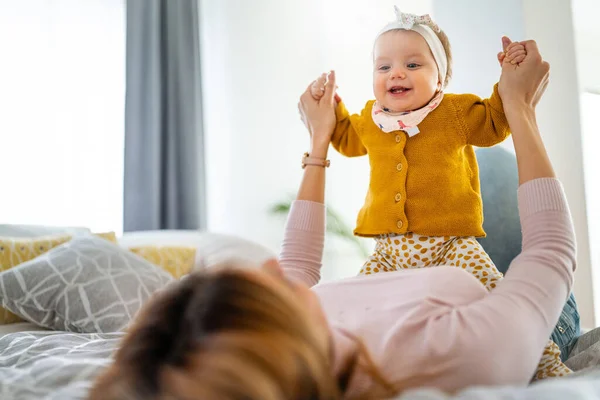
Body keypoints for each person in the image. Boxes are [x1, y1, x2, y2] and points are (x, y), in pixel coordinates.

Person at [89, 39, 574, 400]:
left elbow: (297, 264)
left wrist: (320, 140)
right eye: (256, 291)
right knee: (492, 173)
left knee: (468, 164)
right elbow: (550, 253)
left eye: (411, 63)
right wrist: (520, 108)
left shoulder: (299, 339)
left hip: (404, 252)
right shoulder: (464, 352)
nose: (269, 269)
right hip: (488, 276)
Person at [308, 7, 570, 379]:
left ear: (441, 77)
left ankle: (548, 368)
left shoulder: (456, 111)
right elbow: (348, 139)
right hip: (388, 254)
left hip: (452, 246)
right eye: (383, 68)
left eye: (413, 65)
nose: (396, 73)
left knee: (505, 303)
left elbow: (497, 121)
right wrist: (334, 110)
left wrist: (508, 77)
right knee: (353, 313)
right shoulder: (371, 118)